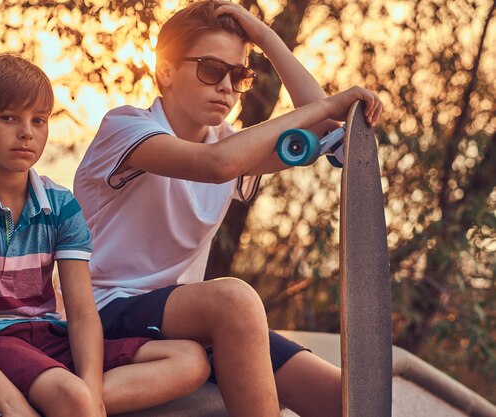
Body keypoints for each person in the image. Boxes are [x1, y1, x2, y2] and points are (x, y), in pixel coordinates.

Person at [73, 2, 383, 417]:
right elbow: (216, 165)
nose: (226, 86)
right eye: (210, 69)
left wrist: (265, 37)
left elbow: (328, 133)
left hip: (183, 318)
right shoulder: (126, 128)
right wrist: (329, 105)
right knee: (234, 300)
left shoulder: (230, 142)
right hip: (102, 310)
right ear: (165, 70)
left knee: (346, 400)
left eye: (239, 75)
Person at [0, 54, 210, 417]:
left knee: (189, 359)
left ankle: (69, 403)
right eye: (8, 117)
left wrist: (92, 391)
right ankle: (41, 402)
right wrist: (13, 404)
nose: (27, 132)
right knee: (68, 393)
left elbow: (82, 312)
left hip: (47, 338)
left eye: (38, 120)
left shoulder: (60, 205)